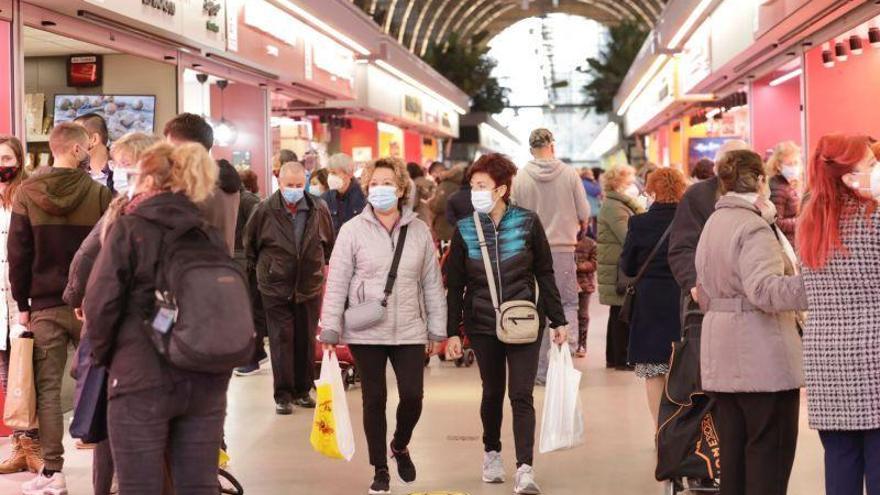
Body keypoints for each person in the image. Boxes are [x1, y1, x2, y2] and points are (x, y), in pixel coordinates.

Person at [82, 142, 230, 495]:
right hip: (205, 381)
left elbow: (100, 305)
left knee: (141, 486)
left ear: (147, 180)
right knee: (198, 485)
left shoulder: (129, 228)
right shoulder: (207, 232)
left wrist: (107, 359)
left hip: (140, 378)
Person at [319, 157, 446, 495]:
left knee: (413, 397)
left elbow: (432, 283)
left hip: (409, 328)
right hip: (365, 328)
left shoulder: (419, 231)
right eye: (374, 183)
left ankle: (400, 445)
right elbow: (337, 283)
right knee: (373, 398)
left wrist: (437, 329)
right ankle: (379, 469)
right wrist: (330, 328)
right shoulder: (351, 231)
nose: (380, 189)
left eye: (387, 183)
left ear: (402, 188)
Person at [445, 153, 567, 494]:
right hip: (482, 322)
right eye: (472, 186)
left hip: (524, 320)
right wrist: (452, 330)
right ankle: (492, 452)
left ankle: (525, 468)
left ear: (501, 189)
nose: (475, 192)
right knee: (492, 391)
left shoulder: (527, 223)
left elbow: (545, 271)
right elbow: (455, 284)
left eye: (481, 186)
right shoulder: (465, 229)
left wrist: (558, 319)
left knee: (521, 394)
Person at [695, 149, 806, 495]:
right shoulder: (754, 226)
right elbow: (765, 291)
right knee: (768, 459)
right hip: (762, 358)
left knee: (735, 458)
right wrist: (815, 285)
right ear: (760, 181)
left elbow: (703, 288)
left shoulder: (714, 222)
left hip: (722, 355)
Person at [9, 123, 111, 494]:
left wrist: (23, 304)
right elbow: (108, 251)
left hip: (46, 305)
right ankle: (110, 469)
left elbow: (18, 254)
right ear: (78, 149)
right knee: (103, 382)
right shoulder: (99, 194)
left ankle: (53, 471)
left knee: (48, 389)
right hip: (91, 305)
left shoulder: (26, 193)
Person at [63, 131, 161, 495]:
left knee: (115, 425)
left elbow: (87, 259)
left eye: (124, 164)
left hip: (125, 337)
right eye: (117, 165)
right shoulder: (127, 207)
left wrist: (79, 298)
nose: (117, 171)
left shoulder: (128, 210)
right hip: (132, 339)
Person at [798, 134, 880, 494]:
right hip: (873, 352)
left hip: (825, 355)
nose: (875, 170)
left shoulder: (808, 223)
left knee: (840, 459)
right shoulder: (873, 218)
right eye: (870, 164)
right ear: (849, 173)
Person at [245, 162, 334, 414]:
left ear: (304, 183)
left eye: (298, 185)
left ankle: (303, 390)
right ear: (279, 183)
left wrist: (316, 266)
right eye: (289, 186)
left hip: (308, 283)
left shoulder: (319, 208)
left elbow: (328, 244)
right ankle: (282, 395)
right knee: (281, 338)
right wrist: (268, 269)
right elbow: (250, 243)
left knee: (306, 338)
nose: (294, 190)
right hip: (275, 285)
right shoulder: (263, 209)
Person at [511, 128, 590, 384]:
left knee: (538, 308)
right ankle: (563, 368)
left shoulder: (521, 177)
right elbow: (584, 210)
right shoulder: (568, 173)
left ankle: (542, 371)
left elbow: (513, 213)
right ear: (552, 145)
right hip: (562, 249)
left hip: (529, 250)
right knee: (567, 304)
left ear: (530, 148)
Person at [619, 168, 687, 428]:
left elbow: (628, 265)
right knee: (681, 368)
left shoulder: (639, 223)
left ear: (652, 190)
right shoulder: (690, 222)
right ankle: (681, 430)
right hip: (682, 300)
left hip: (649, 303)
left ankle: (661, 430)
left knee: (653, 370)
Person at [0, 135, 41, 476]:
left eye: (7, 158)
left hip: (21, 299)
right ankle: (19, 446)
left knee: (30, 373)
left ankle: (34, 445)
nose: (3, 165)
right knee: (7, 375)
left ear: (19, 161)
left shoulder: (29, 194)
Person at [668, 139, 750, 310]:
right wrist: (693, 283)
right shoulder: (698, 195)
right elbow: (682, 247)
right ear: (716, 167)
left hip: (752, 295)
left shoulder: (760, 195)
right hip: (711, 298)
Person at [164, 112, 241, 256]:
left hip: (193, 270)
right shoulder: (225, 179)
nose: (170, 156)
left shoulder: (195, 185)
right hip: (220, 268)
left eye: (173, 148)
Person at [596, 164, 643, 370]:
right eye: (629, 182)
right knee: (622, 313)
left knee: (617, 313)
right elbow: (627, 237)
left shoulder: (613, 204)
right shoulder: (616, 207)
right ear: (618, 184)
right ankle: (622, 358)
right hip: (618, 269)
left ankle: (613, 357)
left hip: (615, 266)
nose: (633, 186)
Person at [233, 166, 268, 377]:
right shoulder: (240, 200)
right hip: (243, 262)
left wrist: (251, 255)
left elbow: (259, 231)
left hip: (248, 264)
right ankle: (256, 353)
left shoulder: (247, 201)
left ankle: (253, 356)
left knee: (250, 312)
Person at [74, 113, 126, 196]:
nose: (69, 143)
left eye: (76, 136)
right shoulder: (73, 173)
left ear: (94, 140)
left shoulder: (124, 171)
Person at [766, 141, 802, 246]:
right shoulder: (778, 187)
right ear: (778, 165)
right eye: (790, 164)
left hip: (792, 242)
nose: (794, 167)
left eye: (796, 163)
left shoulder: (788, 184)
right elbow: (777, 223)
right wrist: (801, 221)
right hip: (786, 244)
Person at [322, 152, 367, 233]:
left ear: (349, 173)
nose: (330, 177)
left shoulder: (364, 197)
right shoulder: (325, 198)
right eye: (329, 173)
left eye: (334, 173)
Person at [428, 164, 465, 244]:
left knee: (445, 255)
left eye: (433, 174)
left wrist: (430, 202)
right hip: (454, 228)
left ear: (438, 171)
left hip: (445, 230)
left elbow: (439, 206)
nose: (434, 177)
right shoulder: (458, 182)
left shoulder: (446, 185)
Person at [574, 229, 597, 358]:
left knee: (582, 315)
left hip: (584, 285)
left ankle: (582, 344)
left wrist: (577, 266)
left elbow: (594, 263)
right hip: (568, 284)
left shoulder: (590, 243)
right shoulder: (566, 242)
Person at [581, 167, 602, 238]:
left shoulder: (584, 182)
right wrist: (597, 183)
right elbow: (596, 191)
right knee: (591, 223)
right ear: (586, 175)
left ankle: (592, 235)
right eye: (590, 174)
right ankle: (591, 236)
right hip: (591, 207)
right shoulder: (585, 183)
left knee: (592, 222)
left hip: (591, 206)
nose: (592, 176)